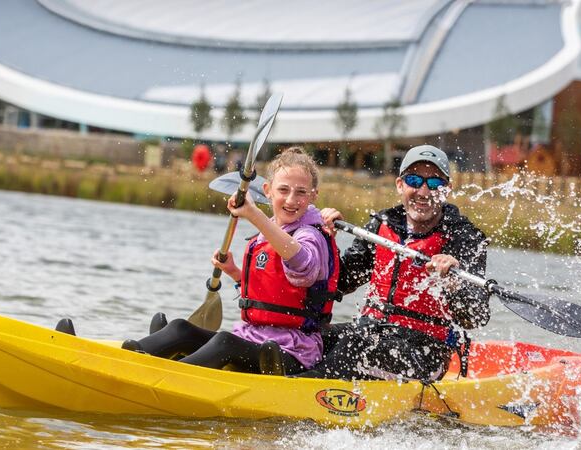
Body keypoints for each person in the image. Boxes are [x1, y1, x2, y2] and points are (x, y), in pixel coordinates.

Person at [119, 147, 339, 375]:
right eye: (283, 189)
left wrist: (254, 215)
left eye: (301, 192)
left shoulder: (310, 235)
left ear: (313, 195)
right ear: (267, 190)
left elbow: (303, 267)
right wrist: (235, 272)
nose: (291, 199)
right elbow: (272, 293)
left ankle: (167, 376)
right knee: (181, 328)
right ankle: (129, 359)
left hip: (292, 353)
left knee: (224, 342)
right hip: (253, 337)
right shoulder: (271, 231)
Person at [302, 145, 490, 382]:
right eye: (414, 180)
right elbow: (341, 282)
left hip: (425, 352)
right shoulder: (381, 226)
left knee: (356, 345)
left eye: (434, 183)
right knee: (311, 336)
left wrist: (454, 282)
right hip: (370, 331)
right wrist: (326, 240)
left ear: (447, 189)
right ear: (400, 185)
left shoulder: (464, 238)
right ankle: (287, 375)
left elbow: (476, 317)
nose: (424, 192)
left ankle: (300, 386)